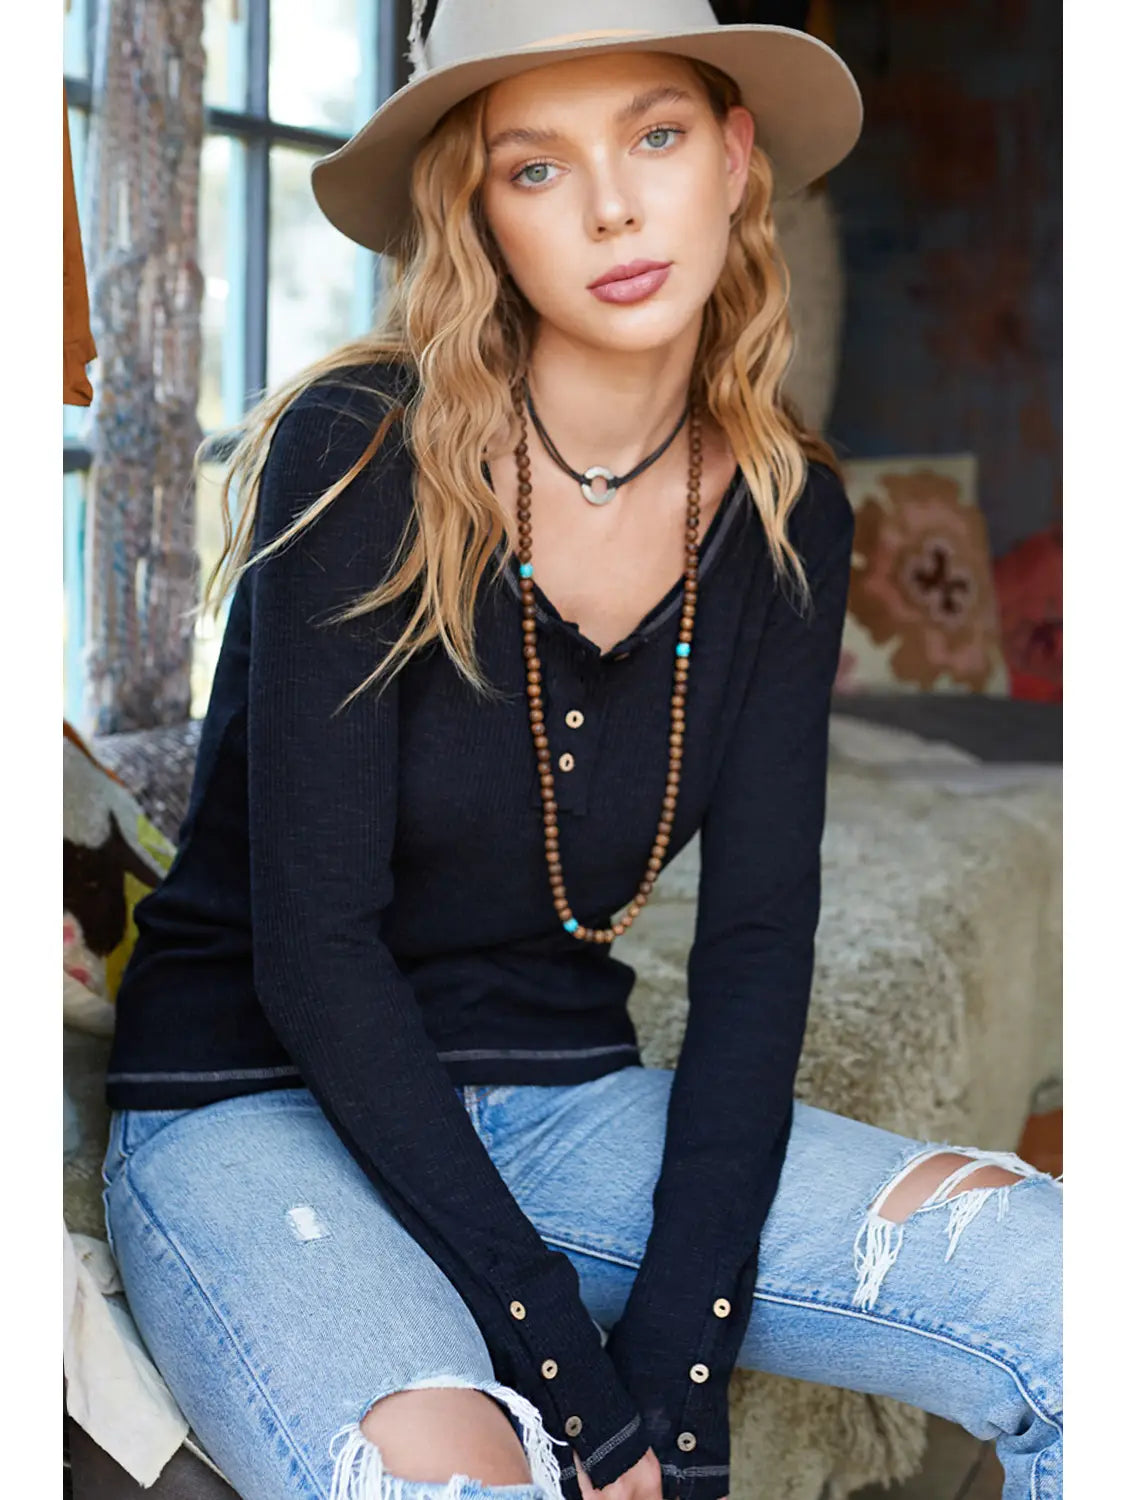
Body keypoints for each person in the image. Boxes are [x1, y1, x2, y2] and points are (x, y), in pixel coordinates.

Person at [100, 4, 1063, 1500]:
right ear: (478, 215)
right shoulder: (361, 449)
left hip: (556, 1098)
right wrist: (572, 1378)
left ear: (733, 159)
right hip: (255, 1095)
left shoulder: (787, 512)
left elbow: (757, 945)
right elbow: (314, 952)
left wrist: (681, 1361)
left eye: (654, 136)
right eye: (535, 167)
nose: (612, 206)